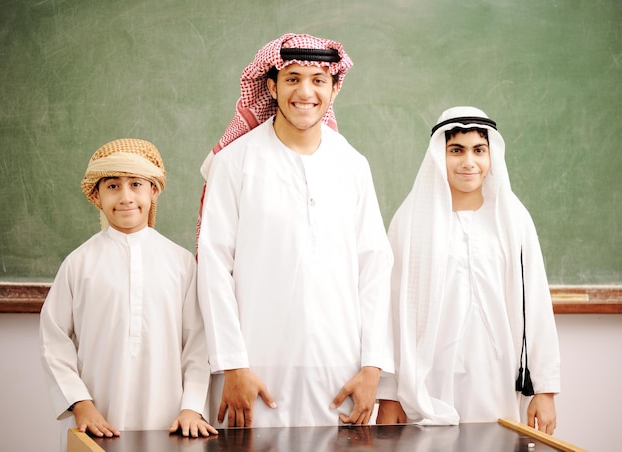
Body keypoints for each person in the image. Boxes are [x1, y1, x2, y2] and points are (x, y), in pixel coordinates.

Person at [196, 33, 394, 428]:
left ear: (335, 88)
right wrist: (233, 365)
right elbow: (214, 268)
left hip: (341, 371)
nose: (305, 92)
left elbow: (373, 267)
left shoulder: (353, 165)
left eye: (318, 80)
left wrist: (372, 367)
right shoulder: (234, 163)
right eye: (292, 78)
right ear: (270, 86)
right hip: (256, 369)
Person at [377, 107, 560, 434]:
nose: (468, 162)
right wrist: (389, 394)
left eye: (479, 150)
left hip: (496, 376)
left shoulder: (513, 221)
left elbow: (536, 307)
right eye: (456, 150)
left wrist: (544, 390)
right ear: (438, 155)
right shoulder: (410, 223)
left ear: (492, 156)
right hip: (428, 381)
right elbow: (390, 314)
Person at [39, 138, 217, 451]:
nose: (125, 197)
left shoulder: (181, 263)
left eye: (136, 184)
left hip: (172, 422)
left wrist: (192, 406)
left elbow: (198, 343)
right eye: (112, 186)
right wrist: (80, 403)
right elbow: (54, 341)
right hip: (98, 422)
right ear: (96, 195)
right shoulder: (78, 263)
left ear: (154, 191)